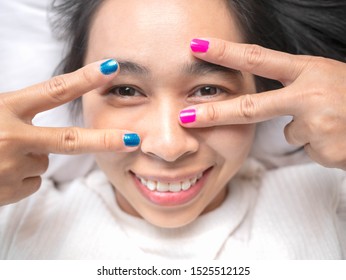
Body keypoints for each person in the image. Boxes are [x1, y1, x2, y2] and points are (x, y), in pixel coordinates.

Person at [0, 0, 345, 259]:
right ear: (77, 99)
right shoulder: (17, 215)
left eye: (208, 90)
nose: (168, 146)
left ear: (261, 92)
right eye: (125, 90)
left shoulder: (328, 194)